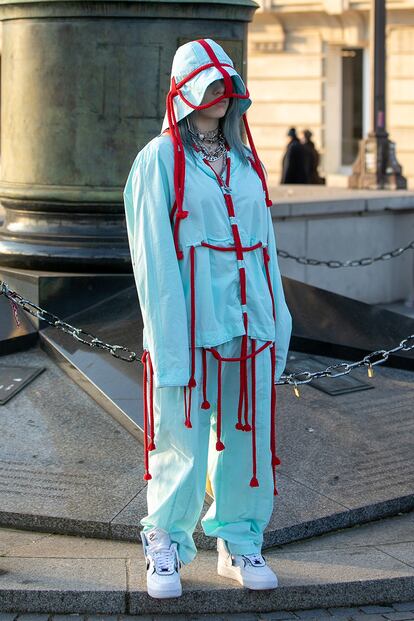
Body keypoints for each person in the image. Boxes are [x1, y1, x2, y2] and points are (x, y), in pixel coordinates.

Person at [123, 38, 292, 600]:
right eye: (208, 85)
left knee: (246, 437)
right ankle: (165, 539)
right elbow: (153, 255)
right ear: (186, 93)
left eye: (227, 84)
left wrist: (278, 319)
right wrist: (170, 343)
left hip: (249, 326)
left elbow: (266, 245)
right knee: (180, 438)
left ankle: (239, 537)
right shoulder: (157, 161)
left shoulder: (247, 162)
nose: (220, 94)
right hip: (190, 328)